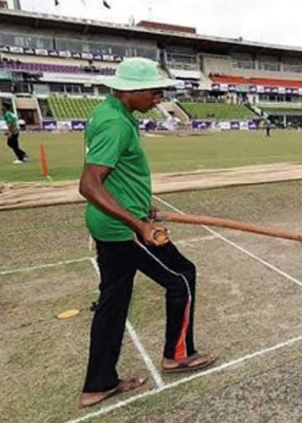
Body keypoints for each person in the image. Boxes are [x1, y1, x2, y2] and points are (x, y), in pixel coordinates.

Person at [78, 58, 217, 408]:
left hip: (111, 224)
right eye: (155, 91)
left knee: (113, 301)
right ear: (130, 90)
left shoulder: (112, 113)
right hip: (124, 229)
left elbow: (117, 176)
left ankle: (98, 383)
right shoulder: (115, 124)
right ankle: (177, 355)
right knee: (182, 276)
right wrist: (139, 223)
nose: (159, 97)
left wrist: (144, 204)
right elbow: (90, 185)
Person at [3, 100, 28, 164]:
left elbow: (11, 123)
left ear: (5, 107)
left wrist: (10, 132)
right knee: (12, 144)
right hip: (16, 130)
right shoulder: (11, 113)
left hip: (14, 131)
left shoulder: (7, 114)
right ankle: (23, 154)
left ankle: (21, 158)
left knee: (13, 145)